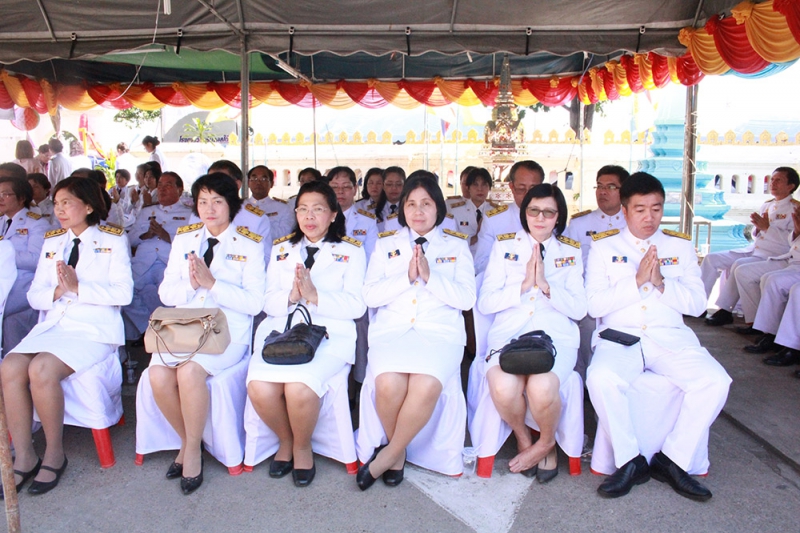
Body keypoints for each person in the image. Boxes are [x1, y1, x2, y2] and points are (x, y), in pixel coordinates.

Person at [584, 172, 731, 501]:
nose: (649, 217)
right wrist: (636, 281)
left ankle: (673, 460)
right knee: (600, 378)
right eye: (640, 209)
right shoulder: (604, 246)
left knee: (716, 381)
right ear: (625, 211)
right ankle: (630, 461)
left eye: (656, 208)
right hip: (621, 338)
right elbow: (594, 305)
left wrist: (662, 283)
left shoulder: (680, 246)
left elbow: (697, 305)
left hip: (670, 339)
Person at [0, 176, 133, 496]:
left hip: (93, 330)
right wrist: (59, 290)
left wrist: (78, 288)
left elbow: (123, 293)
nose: (59, 210)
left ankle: (54, 453)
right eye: (57, 203)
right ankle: (25, 455)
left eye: (67, 203)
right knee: (10, 366)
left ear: (87, 206)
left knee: (41, 368)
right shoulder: (53, 241)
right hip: (54, 326)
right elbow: (35, 295)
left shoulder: (112, 239)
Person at [145, 172, 266, 495]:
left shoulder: (250, 244)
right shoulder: (184, 239)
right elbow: (166, 292)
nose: (209, 209)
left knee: (189, 372)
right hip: (184, 327)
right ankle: (190, 442)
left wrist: (213, 284)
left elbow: (255, 303)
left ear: (231, 205)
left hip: (226, 332)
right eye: (202, 202)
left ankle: (191, 454)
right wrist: (191, 284)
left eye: (217, 201)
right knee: (157, 375)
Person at [358, 171, 476, 490]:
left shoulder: (456, 245)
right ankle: (397, 456)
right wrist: (407, 278)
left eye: (426, 203)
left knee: (425, 385)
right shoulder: (386, 244)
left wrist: (430, 277)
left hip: (439, 334)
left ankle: (388, 454)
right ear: (402, 209)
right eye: (411, 204)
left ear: (438, 207)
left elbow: (467, 299)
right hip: (393, 332)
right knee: (387, 384)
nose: (418, 211)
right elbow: (370, 295)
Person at [247, 180, 366, 488]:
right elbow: (266, 300)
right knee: (259, 387)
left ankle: (302, 447)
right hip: (283, 333)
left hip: (330, 336)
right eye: (302, 209)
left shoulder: (351, 251)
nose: (309, 216)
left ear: (333, 214)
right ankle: (286, 440)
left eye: (318, 209)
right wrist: (290, 296)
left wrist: (315, 296)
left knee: (299, 388)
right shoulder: (282, 249)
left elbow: (357, 305)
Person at [478, 183, 586, 483]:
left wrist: (547, 286)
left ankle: (546, 442)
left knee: (542, 387)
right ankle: (525, 438)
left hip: (556, 338)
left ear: (559, 216)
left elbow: (579, 309)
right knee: (503, 387)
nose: (540, 218)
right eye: (534, 210)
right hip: (509, 337)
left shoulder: (570, 252)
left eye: (549, 212)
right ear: (524, 213)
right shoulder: (504, 247)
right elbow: (486, 302)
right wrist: (524, 285)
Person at [703, 167, 798, 326]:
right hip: (754, 249)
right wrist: (759, 228)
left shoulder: (795, 209)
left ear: (791, 186)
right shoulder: (767, 205)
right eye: (772, 179)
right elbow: (757, 234)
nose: (773, 183)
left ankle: (728, 311)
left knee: (740, 266)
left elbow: (792, 241)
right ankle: (699, 305)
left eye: (778, 180)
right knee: (711, 258)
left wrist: (767, 228)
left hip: (775, 255)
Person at [564, 165, 630, 378]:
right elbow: (567, 264)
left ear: (624, 191)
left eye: (611, 187)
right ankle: (585, 384)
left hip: (623, 297)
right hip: (588, 298)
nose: (603, 192)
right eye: (599, 186)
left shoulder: (633, 224)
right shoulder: (579, 224)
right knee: (585, 341)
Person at [122, 171, 193, 344]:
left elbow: (193, 244)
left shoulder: (189, 214)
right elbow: (129, 239)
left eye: (168, 185)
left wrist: (166, 235)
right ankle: (148, 329)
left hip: (169, 263)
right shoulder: (146, 211)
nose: (162, 189)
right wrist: (145, 235)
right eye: (160, 185)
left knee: (174, 294)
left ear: (179, 189)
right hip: (143, 262)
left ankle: (167, 331)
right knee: (124, 292)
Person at [0, 173, 51, 355]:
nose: (0, 199)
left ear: (21, 198)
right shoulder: (1, 221)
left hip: (22, 285)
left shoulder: (36, 224)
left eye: (5, 194)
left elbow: (37, 259)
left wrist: (5, 255)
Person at [744, 202, 800, 360]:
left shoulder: (792, 205)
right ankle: (771, 333)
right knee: (771, 280)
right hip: (794, 261)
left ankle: (792, 346)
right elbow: (792, 243)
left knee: (796, 291)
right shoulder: (770, 206)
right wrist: (797, 231)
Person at [474, 160, 545, 274]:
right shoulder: (494, 220)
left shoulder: (551, 219)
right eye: (521, 189)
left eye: (533, 189)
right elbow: (481, 263)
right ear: (512, 187)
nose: (528, 194)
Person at [205, 160, 271, 257]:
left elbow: (265, 257)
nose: (214, 186)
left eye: (221, 181)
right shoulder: (198, 215)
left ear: (237, 184)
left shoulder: (256, 219)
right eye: (209, 181)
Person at [448, 167, 495, 255]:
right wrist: (474, 238)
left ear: (489, 188)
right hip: (463, 257)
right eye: (475, 184)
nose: (480, 189)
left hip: (488, 259)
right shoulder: (456, 211)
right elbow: (450, 240)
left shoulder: (496, 212)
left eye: (484, 185)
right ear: (468, 187)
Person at [244, 165, 293, 241]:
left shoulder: (283, 209)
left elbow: (285, 233)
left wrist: (254, 229)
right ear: (248, 183)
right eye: (254, 178)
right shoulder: (239, 207)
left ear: (272, 183)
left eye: (263, 179)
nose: (258, 182)